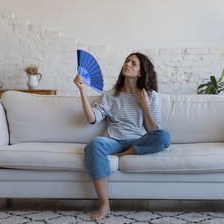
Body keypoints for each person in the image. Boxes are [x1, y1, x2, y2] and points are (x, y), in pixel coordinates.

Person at [73, 52, 171, 221]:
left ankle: (123, 156)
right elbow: (92, 119)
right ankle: (105, 205)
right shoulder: (111, 95)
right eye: (127, 61)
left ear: (140, 72)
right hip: (114, 141)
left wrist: (144, 105)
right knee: (94, 145)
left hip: (138, 140)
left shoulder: (150, 96)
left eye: (133, 63)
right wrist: (82, 90)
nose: (127, 64)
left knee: (164, 136)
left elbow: (154, 131)